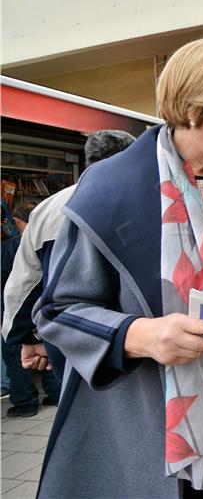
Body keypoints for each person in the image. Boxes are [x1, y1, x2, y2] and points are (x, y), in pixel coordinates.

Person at [33, 35, 203, 498]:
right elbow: (59, 310)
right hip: (149, 430)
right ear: (192, 109)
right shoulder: (111, 186)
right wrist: (139, 335)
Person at [2, 130, 135, 382]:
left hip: (68, 334)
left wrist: (27, 337)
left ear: (88, 160)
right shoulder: (140, 199)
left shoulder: (47, 208)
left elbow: (23, 284)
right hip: (129, 336)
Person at [1, 202, 62, 418]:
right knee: (50, 353)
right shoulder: (57, 233)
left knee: (19, 358)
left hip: (25, 312)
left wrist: (18, 330)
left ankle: (25, 402)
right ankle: (56, 394)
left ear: (17, 221)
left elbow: (14, 286)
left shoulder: (12, 246)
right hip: (51, 311)